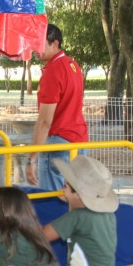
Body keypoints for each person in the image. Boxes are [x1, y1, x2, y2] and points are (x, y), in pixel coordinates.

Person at [43, 156, 118, 266]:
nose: (61, 190)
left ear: (77, 194)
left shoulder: (76, 217)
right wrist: (71, 199)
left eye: (65, 186)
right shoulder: (108, 215)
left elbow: (40, 236)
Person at [26, 24, 88, 191]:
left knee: (51, 201)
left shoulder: (53, 71)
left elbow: (45, 121)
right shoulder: (73, 65)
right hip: (79, 142)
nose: (35, 49)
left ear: (54, 43)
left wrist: (31, 158)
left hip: (58, 144)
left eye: (40, 44)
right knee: (74, 199)